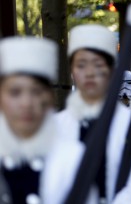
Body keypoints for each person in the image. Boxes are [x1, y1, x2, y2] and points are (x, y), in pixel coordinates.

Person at [55, 24, 131, 203]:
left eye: (98, 65)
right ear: (72, 70)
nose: (90, 73)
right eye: (81, 65)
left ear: (112, 71)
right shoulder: (57, 125)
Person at [0, 37, 96, 203]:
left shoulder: (73, 156)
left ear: (50, 98)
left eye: (37, 92)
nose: (26, 103)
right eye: (15, 92)